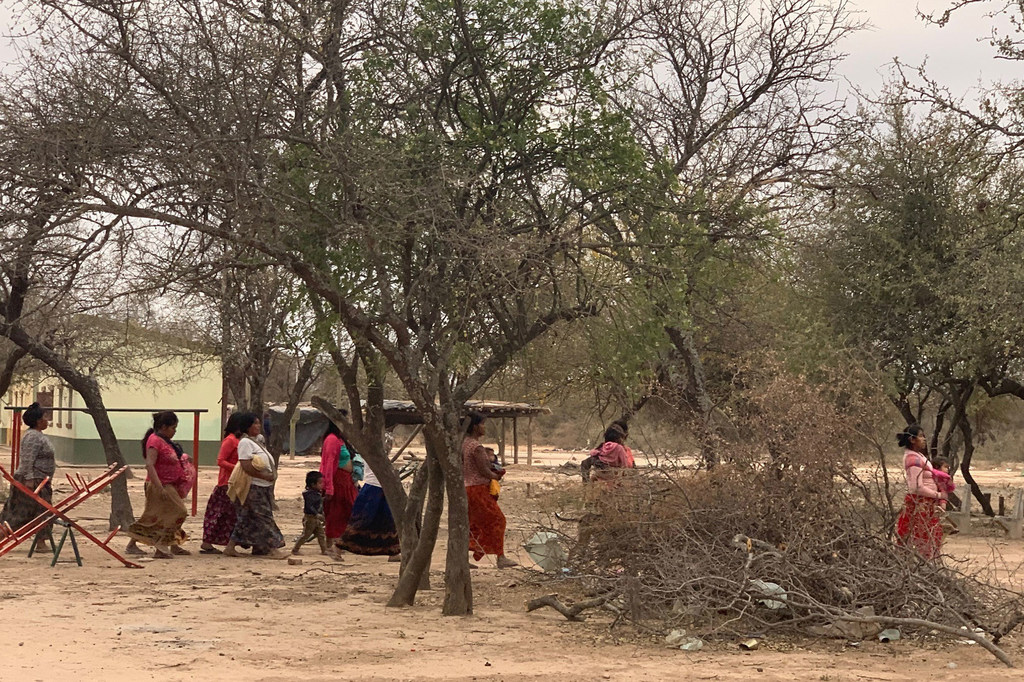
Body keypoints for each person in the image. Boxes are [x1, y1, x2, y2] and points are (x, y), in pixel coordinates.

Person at [126, 411, 192, 559]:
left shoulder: (165, 441)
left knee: (156, 515)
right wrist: (159, 487)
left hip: (170, 484)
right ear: (163, 427)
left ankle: (171, 544)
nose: (174, 431)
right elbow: (150, 465)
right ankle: (161, 545)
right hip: (159, 485)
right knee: (178, 511)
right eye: (173, 428)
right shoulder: (154, 441)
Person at [224, 414, 287, 559]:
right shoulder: (245, 443)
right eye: (255, 424)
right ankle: (273, 548)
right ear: (247, 426)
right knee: (264, 517)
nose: (258, 426)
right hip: (254, 486)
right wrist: (264, 476)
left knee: (246, 518)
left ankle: (232, 547)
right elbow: (246, 466)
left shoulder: (257, 441)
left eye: (259, 423)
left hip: (262, 486)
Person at [462, 412, 516, 569]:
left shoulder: (463, 443)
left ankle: (463, 556)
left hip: (467, 488)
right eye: (482, 424)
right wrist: (497, 475)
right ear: (475, 427)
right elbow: (484, 471)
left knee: (472, 523)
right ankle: (500, 556)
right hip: (479, 489)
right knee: (498, 520)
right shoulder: (476, 447)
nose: (484, 427)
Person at [0, 402, 56, 553]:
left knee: (43, 512)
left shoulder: (38, 435)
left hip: (41, 481)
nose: (47, 420)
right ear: (38, 421)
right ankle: (2, 535)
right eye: (45, 417)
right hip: (31, 481)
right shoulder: (32, 437)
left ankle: (41, 542)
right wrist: (29, 479)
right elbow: (27, 459)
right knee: (20, 513)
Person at [894, 425, 947, 560]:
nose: (924, 439)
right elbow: (916, 487)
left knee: (929, 538)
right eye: (921, 436)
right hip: (919, 505)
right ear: (912, 439)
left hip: (926, 505)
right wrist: (938, 495)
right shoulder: (913, 459)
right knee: (920, 539)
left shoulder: (920, 456)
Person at [337, 454, 401, 559]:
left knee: (387, 521)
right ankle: (338, 547)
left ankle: (393, 553)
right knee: (362, 522)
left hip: (383, 487)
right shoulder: (370, 450)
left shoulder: (379, 450)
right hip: (373, 488)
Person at [199, 412, 245, 554]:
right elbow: (220, 460)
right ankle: (207, 543)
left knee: (229, 515)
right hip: (226, 484)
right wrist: (238, 468)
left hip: (236, 483)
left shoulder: (239, 441)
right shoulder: (230, 440)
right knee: (219, 514)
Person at [320, 421, 357, 557]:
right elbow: (328, 464)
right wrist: (329, 487)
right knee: (335, 512)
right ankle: (331, 544)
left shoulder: (341, 440)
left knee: (348, 511)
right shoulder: (331, 440)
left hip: (347, 482)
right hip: (337, 481)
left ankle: (342, 541)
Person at [292, 471, 329, 555]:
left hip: (316, 518)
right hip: (310, 518)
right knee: (305, 535)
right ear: (313, 484)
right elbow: (310, 506)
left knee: (321, 534)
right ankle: (295, 549)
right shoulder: (310, 495)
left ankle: (324, 550)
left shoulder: (316, 493)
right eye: (320, 483)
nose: (322, 485)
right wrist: (317, 514)